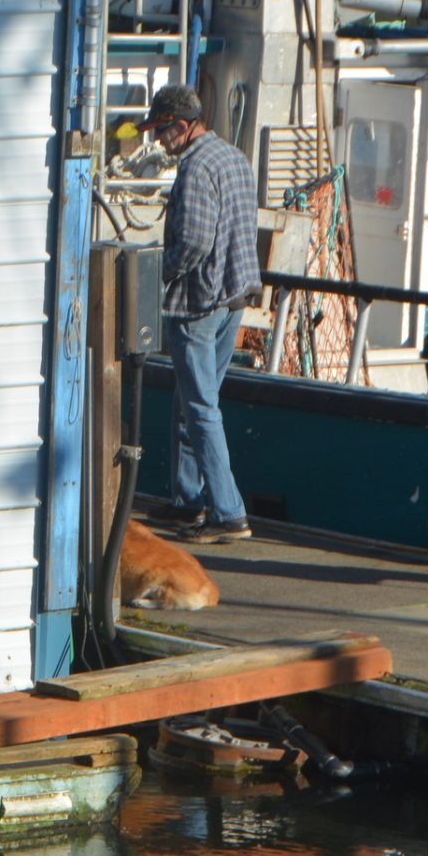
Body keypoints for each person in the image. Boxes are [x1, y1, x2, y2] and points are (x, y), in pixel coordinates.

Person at [148, 85, 260, 544]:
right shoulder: (233, 157)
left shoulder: (194, 168)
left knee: (199, 408)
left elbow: (193, 240)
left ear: (182, 125)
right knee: (192, 403)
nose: (158, 141)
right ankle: (189, 501)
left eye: (162, 132)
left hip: (198, 301)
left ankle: (228, 512)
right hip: (234, 296)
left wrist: (159, 273)